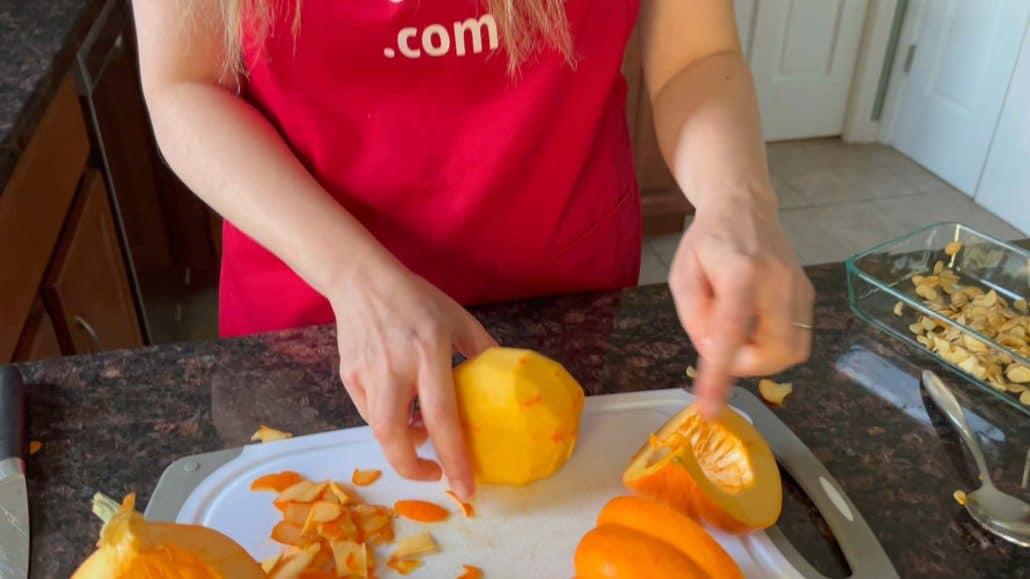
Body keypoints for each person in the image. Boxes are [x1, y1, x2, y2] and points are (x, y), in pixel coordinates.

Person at [133, 0, 814, 500]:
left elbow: (698, 54)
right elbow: (185, 86)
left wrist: (737, 200)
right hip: (312, 311)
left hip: (562, 298)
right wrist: (356, 278)